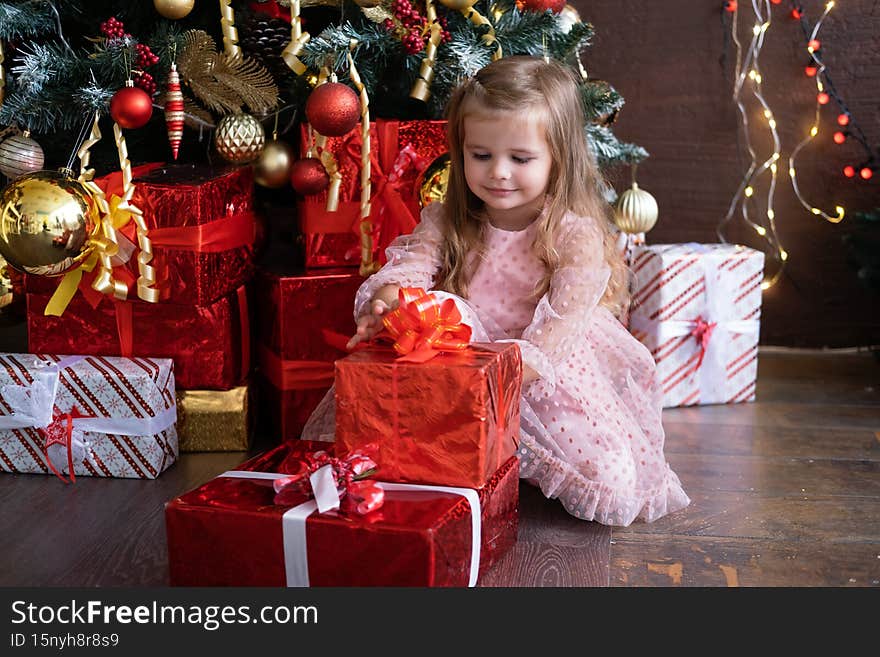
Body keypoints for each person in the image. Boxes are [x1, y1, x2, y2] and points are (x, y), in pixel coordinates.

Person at [303, 55, 690, 526]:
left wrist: (514, 368)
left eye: (520, 159)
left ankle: (517, 459)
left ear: (558, 158)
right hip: (462, 366)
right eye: (481, 155)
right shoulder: (448, 219)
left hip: (542, 370)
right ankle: (466, 462)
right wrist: (387, 300)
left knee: (610, 476)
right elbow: (412, 267)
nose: (498, 173)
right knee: (381, 433)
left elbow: (563, 327)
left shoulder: (573, 235)